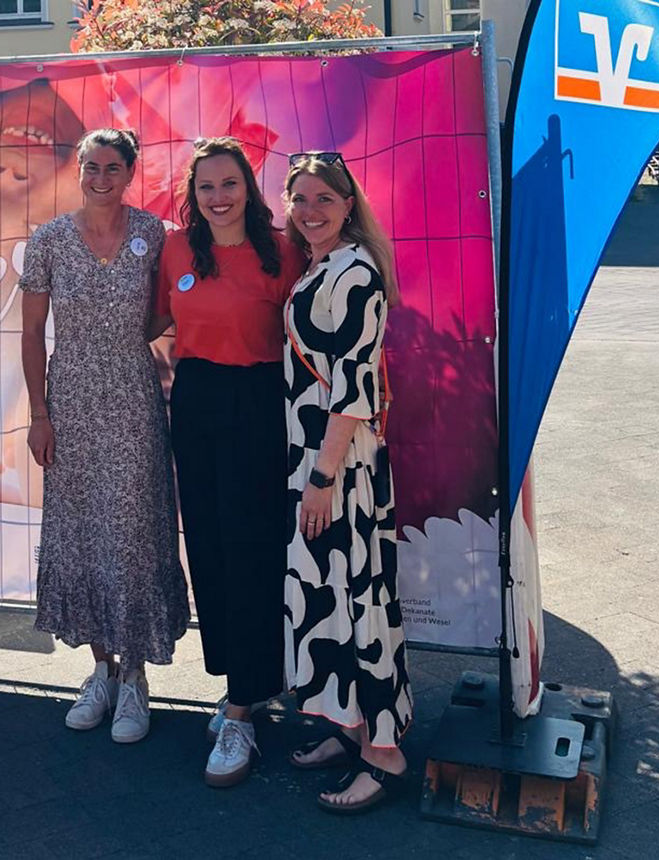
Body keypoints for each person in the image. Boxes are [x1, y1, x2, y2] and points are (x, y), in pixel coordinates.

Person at [19, 128, 189, 744]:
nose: (100, 177)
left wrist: (136, 331)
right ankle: (101, 669)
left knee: (135, 534)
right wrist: (40, 413)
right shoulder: (49, 241)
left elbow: (171, 305)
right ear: (78, 169)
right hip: (70, 404)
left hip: (135, 402)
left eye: (112, 167)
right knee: (81, 530)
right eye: (90, 165)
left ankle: (137, 676)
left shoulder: (154, 236)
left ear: (129, 171)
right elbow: (32, 333)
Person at [149, 137, 305, 787]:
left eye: (229, 183)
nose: (218, 197)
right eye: (207, 186)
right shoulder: (177, 250)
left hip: (261, 404)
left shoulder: (285, 251)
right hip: (196, 402)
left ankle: (244, 704)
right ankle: (242, 682)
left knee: (252, 550)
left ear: (249, 187)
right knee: (210, 548)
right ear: (194, 195)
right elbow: (156, 322)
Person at [282, 151, 414, 813]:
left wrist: (322, 477)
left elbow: (354, 389)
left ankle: (384, 753)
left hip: (339, 467)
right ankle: (351, 723)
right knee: (334, 598)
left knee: (360, 600)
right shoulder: (323, 265)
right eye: (300, 199)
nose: (310, 211)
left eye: (323, 199)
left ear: (347, 203)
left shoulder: (355, 269)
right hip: (318, 463)